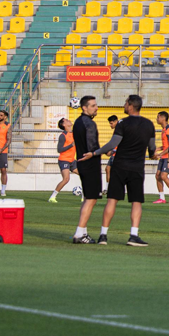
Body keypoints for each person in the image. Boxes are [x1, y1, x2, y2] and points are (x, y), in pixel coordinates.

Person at [90, 94, 157, 246]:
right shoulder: (149, 124)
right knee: (136, 202)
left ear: (130, 105)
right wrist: (153, 154)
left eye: (126, 103)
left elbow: (113, 144)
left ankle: (103, 236)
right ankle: (133, 235)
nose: (124, 105)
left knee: (112, 200)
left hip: (119, 166)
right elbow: (152, 148)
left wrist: (95, 153)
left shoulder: (122, 123)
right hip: (137, 168)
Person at [70, 96, 103, 243]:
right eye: (93, 105)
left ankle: (82, 231)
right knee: (91, 199)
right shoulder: (89, 123)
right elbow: (92, 146)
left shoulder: (78, 121)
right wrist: (102, 151)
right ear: (84, 107)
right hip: (90, 164)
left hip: (83, 164)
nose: (96, 108)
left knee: (88, 199)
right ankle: (79, 233)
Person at [49, 117, 82, 203]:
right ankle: (52, 197)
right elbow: (59, 149)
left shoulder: (74, 133)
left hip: (72, 160)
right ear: (64, 125)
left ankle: (84, 196)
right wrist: (71, 145)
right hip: (64, 160)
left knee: (84, 175)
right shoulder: (63, 136)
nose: (69, 120)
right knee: (66, 179)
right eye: (66, 120)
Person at [154, 111, 169, 204]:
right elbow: (165, 146)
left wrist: (160, 154)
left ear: (163, 118)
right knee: (158, 176)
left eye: (157, 117)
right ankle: (162, 198)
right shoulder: (163, 130)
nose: (156, 119)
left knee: (163, 176)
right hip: (164, 156)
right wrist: (157, 149)